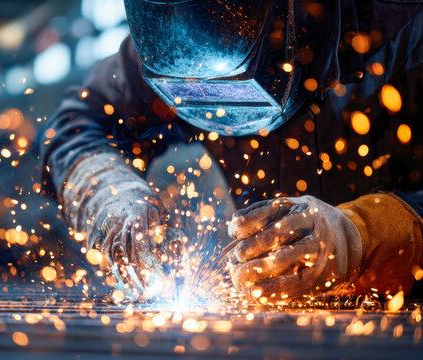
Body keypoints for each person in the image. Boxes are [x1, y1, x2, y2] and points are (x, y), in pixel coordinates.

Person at [41, 1, 423, 300]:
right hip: (277, 317)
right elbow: (80, 128)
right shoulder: (176, 42)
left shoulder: (408, 33)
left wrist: (360, 236)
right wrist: (109, 194)